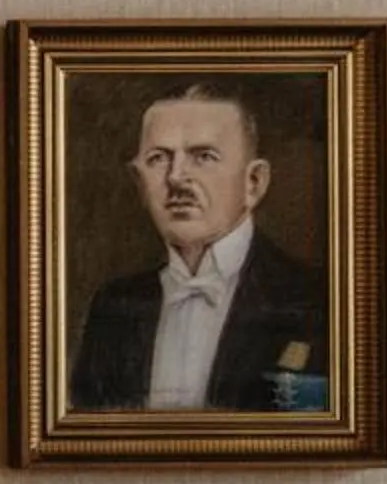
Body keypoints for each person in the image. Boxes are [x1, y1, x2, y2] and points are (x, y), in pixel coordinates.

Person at [72, 85, 330, 411]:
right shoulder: (113, 306)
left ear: (254, 182)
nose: (177, 177)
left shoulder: (316, 300)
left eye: (204, 156)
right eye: (158, 158)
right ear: (140, 183)